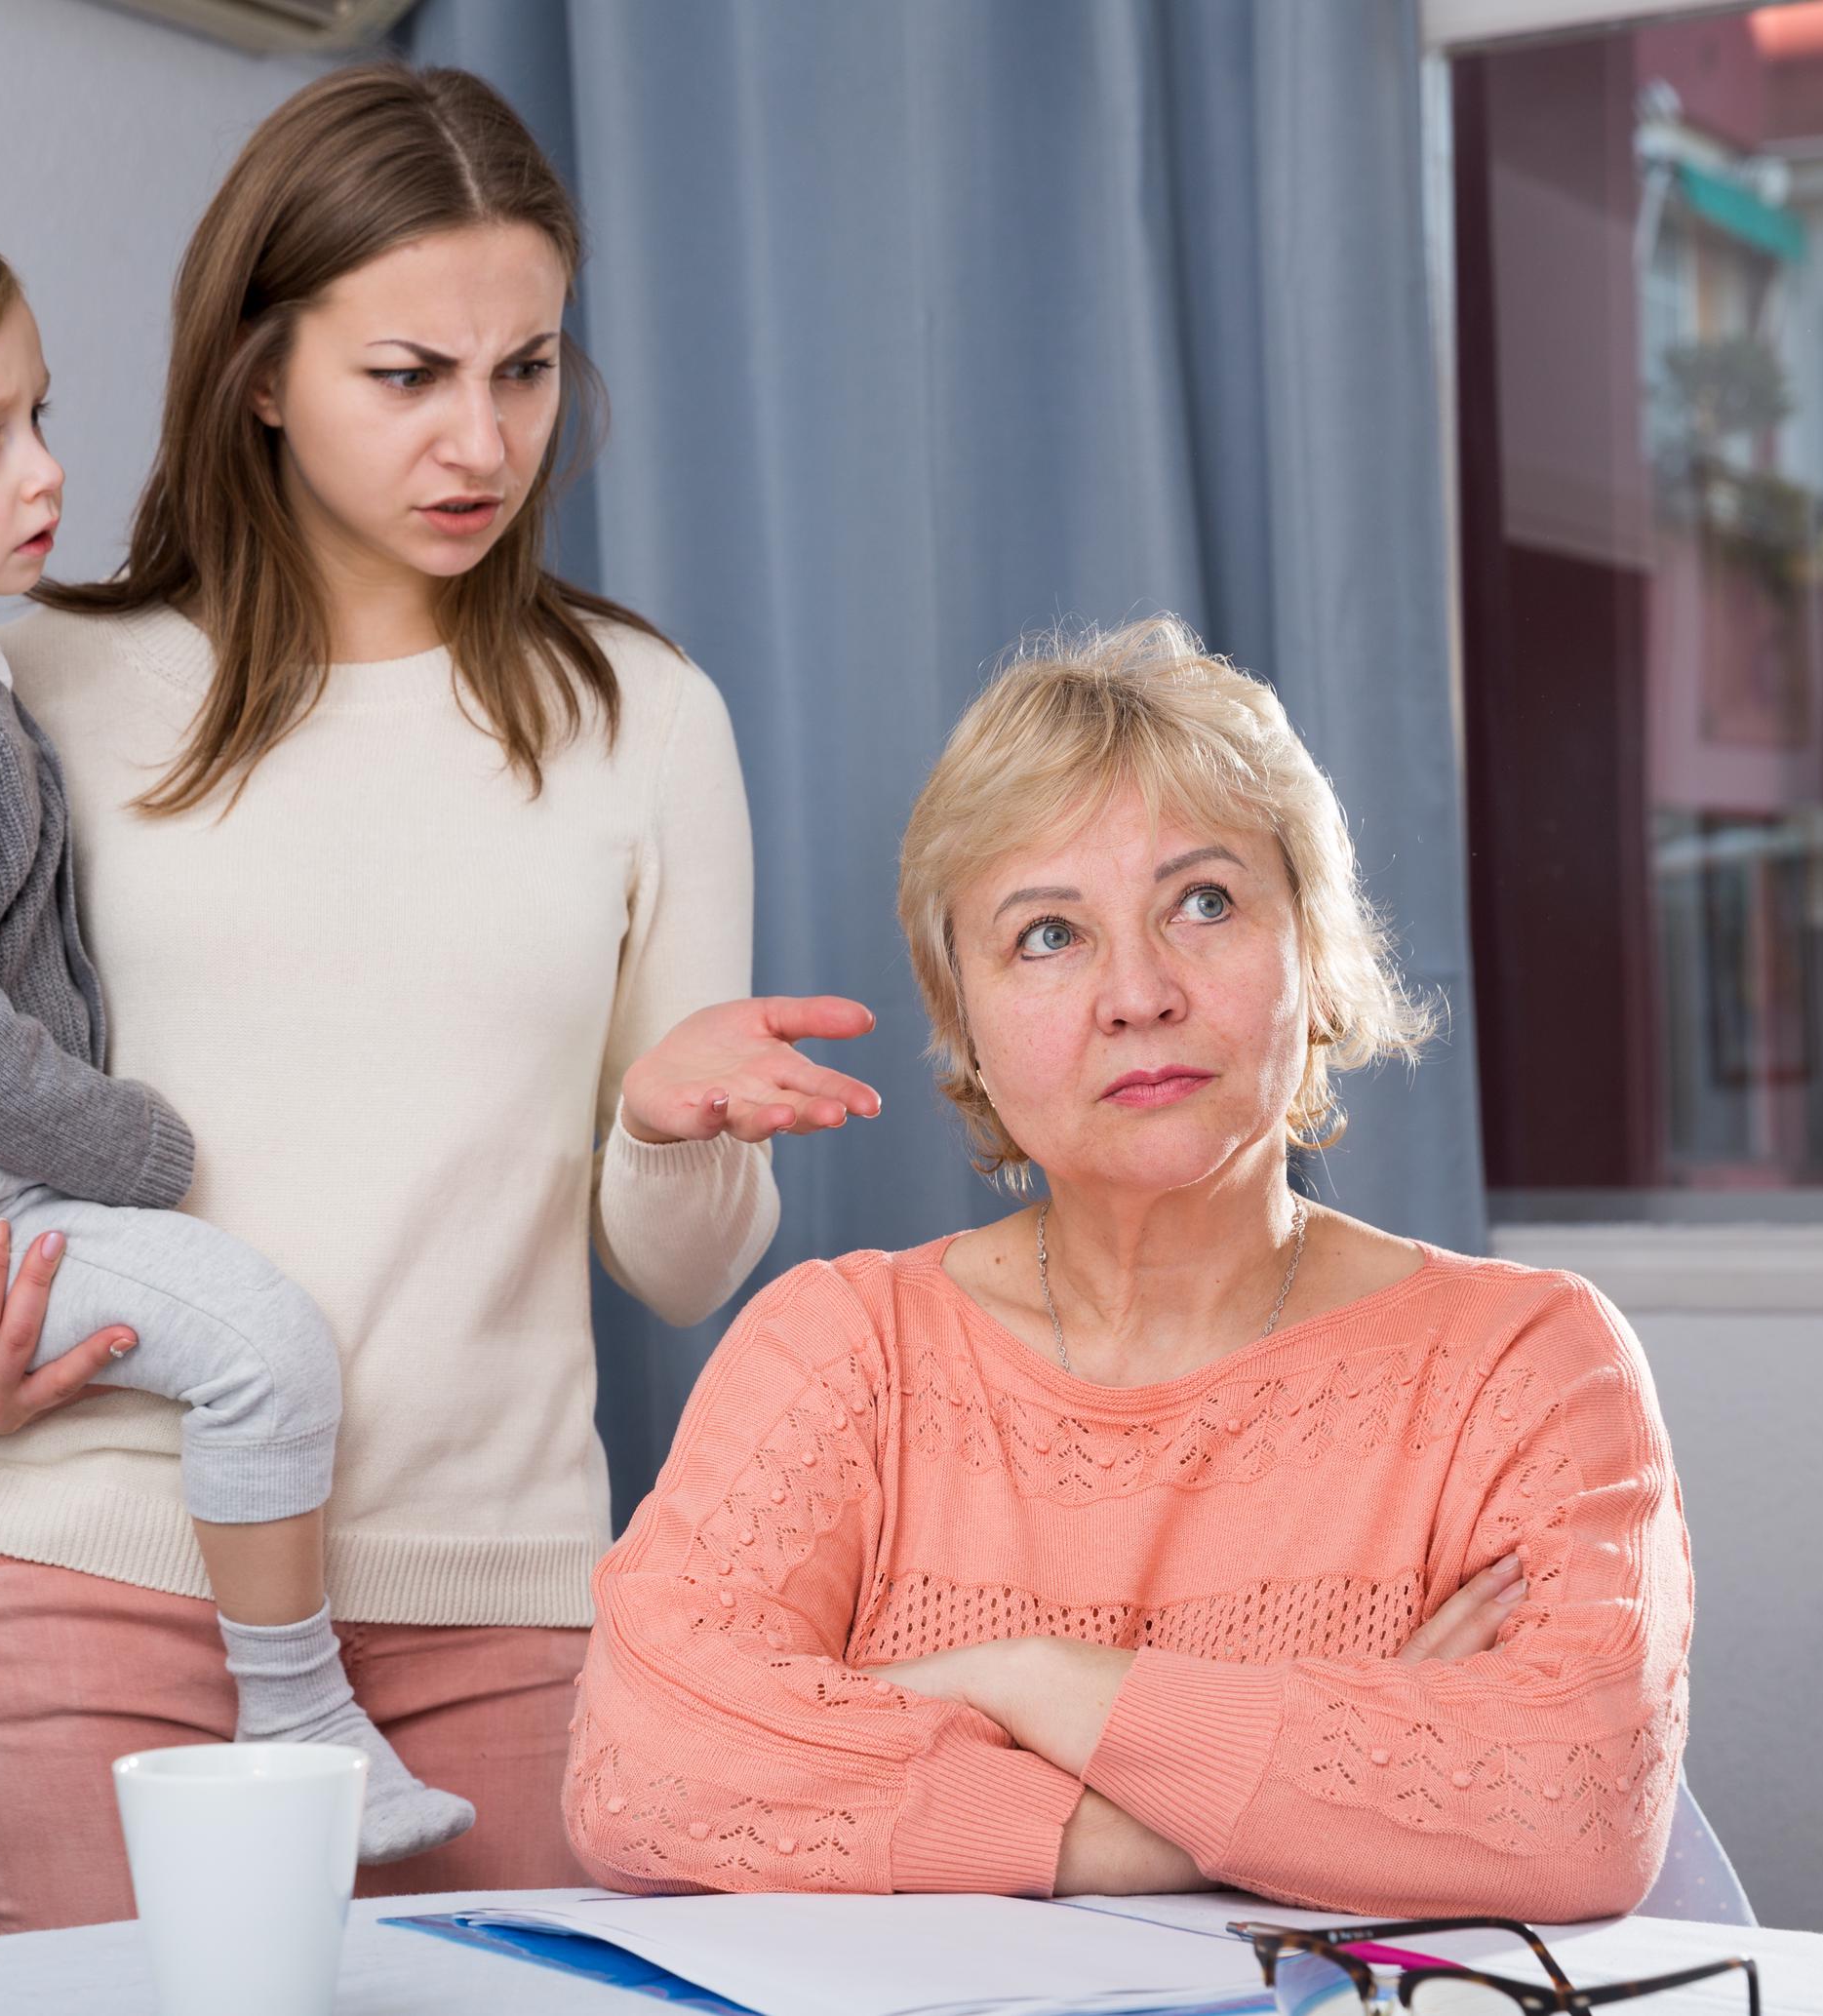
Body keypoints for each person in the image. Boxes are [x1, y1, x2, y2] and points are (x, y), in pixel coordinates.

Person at [0, 64, 879, 1934]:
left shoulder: (647, 718)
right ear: (260, 370)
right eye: (410, 376)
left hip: (498, 1592)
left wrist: (661, 1127)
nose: (482, 440)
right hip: (83, 1573)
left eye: (527, 368)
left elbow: (689, 1275)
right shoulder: (35, 682)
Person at [566, 618, 1692, 1921]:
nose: (1138, 992)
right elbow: (647, 1774)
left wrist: (1024, 1681)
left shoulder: (1527, 1360)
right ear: (965, 1026)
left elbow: (1571, 1812)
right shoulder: (840, 1353)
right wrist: (1261, 1806)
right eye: (1048, 935)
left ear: (1316, 959)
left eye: (1204, 902)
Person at [0, 196, 495, 1866]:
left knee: (250, 1342)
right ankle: (301, 1713)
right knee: (267, 1344)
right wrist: (144, 1154)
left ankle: (295, 1709)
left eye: (39, 411)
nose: (45, 467)